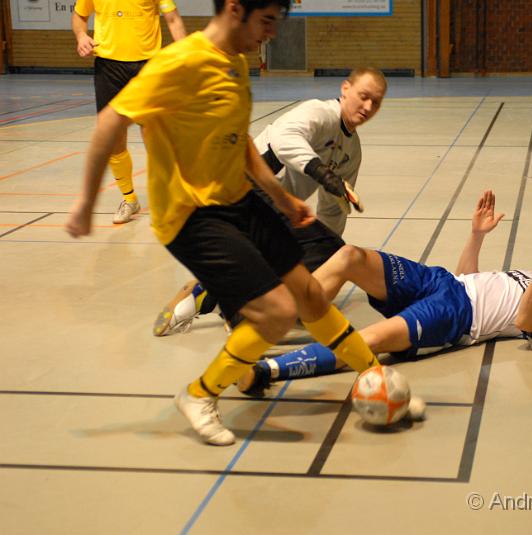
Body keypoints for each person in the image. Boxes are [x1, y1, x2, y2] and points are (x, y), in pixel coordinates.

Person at [65, 0, 380, 446]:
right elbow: (107, 125)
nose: (272, 32)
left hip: (240, 197)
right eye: (267, 20)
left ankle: (375, 375)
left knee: (310, 292)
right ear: (236, 9)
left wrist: (281, 197)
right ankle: (198, 394)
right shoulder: (179, 62)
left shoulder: (234, 63)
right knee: (277, 313)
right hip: (191, 215)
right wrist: (84, 202)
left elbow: (242, 142)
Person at [236, 190, 532, 394]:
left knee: (366, 340)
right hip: (443, 283)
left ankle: (265, 369)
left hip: (455, 317)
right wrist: (476, 236)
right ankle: (277, 315)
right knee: (350, 256)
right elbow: (468, 278)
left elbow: (527, 325)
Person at [152, 68, 388, 336]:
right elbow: (283, 139)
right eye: (363, 96)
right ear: (346, 89)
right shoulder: (319, 112)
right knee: (306, 259)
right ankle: (240, 310)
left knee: (331, 251)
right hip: (243, 190)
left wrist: (321, 259)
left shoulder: (352, 151)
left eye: (376, 102)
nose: (368, 107)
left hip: (275, 210)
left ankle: (212, 292)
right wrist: (322, 172)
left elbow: (333, 209)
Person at [72, 0, 187, 224]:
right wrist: (81, 36)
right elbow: (79, 17)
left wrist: (188, 56)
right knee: (113, 137)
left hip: (147, 66)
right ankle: (129, 199)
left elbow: (173, 19)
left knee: (155, 135)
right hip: (108, 67)